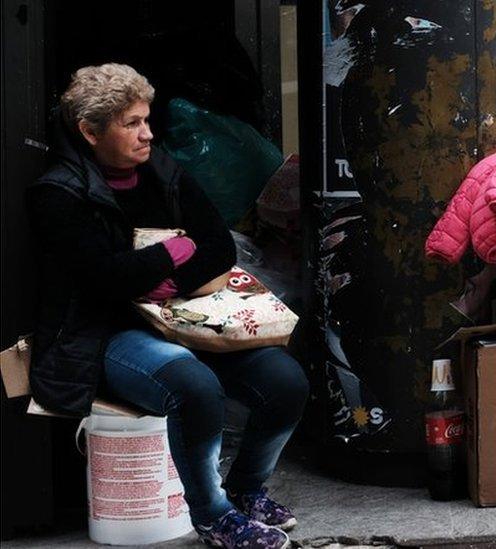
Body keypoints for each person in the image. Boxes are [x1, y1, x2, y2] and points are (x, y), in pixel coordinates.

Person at [27, 63, 307, 549]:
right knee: (193, 387)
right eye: (131, 123)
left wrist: (165, 277)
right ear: (90, 132)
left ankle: (245, 489)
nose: (148, 134)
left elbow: (218, 246)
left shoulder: (162, 172)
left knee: (286, 382)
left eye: (147, 119)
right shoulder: (58, 193)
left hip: (182, 316)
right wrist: (172, 251)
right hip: (105, 335)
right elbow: (103, 279)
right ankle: (214, 515)